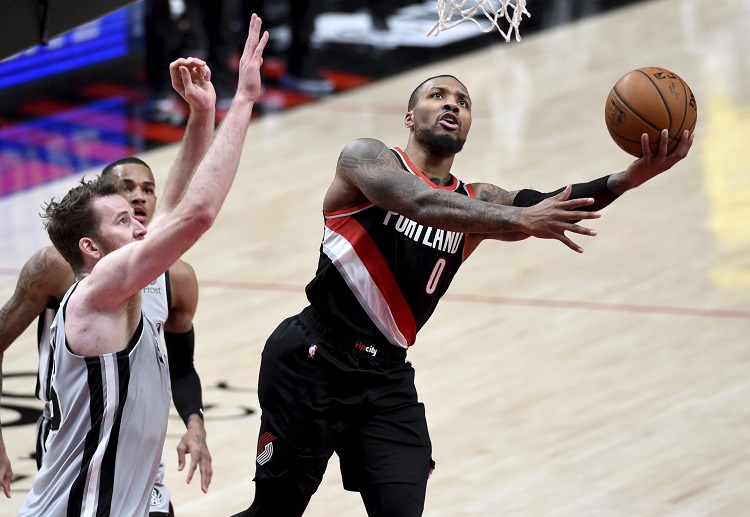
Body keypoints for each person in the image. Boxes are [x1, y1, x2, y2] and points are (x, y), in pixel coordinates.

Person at [229, 74, 694, 516]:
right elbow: (418, 202)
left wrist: (629, 178)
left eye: (464, 101)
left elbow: (548, 201)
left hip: (385, 378)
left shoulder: (477, 200)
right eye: (438, 96)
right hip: (311, 360)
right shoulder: (366, 159)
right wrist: (517, 220)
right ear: (410, 116)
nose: (452, 103)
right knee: (275, 512)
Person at [11, 14, 268, 516]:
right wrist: (243, 103)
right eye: (124, 219)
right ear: (91, 247)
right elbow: (197, 213)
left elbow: (175, 203)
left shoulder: (130, 276)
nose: (142, 222)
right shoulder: (96, 290)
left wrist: (202, 114)